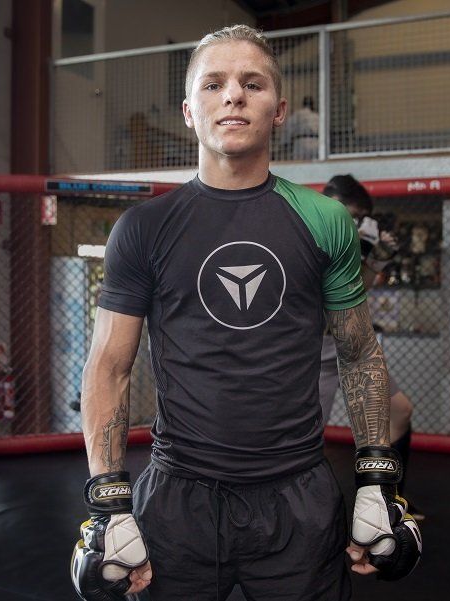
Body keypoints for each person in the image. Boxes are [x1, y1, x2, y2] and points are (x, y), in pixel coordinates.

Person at [70, 25, 421, 601]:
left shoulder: (325, 220)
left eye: (251, 84)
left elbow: (358, 354)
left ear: (279, 109)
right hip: (178, 498)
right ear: (189, 110)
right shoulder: (143, 229)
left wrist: (377, 478)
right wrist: (108, 501)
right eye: (214, 83)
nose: (233, 95)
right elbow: (108, 367)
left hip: (298, 500)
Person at [318, 174, 422, 518]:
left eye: (360, 217)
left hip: (348, 341)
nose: (354, 223)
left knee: (399, 411)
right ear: (328, 204)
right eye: (350, 214)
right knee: (301, 439)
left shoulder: (349, 240)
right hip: (311, 350)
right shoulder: (308, 235)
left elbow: (351, 296)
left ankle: (388, 505)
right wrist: (362, 249)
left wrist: (377, 257)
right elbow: (321, 305)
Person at [278, 95, 319, 160]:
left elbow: (288, 129)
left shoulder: (297, 115)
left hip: (300, 143)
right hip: (316, 143)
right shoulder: (317, 116)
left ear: (303, 104)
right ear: (312, 104)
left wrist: (284, 143)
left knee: (300, 165)